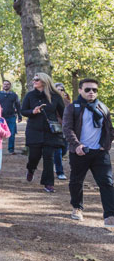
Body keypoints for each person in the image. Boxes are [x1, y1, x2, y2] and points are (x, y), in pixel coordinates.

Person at [62, 78, 114, 227]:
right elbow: (67, 128)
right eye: (87, 89)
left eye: (94, 90)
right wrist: (77, 145)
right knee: (76, 181)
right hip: (80, 152)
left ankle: (110, 215)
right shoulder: (73, 107)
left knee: (107, 183)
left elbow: (109, 129)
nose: (91, 92)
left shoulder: (102, 108)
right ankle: (77, 207)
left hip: (99, 153)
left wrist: (106, 144)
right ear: (80, 90)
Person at [22, 72, 66, 193]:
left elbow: (63, 113)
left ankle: (48, 183)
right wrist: (33, 112)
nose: (34, 81)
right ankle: (31, 169)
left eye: (37, 79)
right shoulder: (30, 96)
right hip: (34, 130)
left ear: (44, 81)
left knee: (49, 157)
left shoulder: (56, 96)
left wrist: (67, 126)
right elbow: (23, 111)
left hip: (50, 131)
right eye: (33, 79)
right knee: (34, 156)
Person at [0, 80, 22, 155]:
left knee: (11, 133)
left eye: (8, 84)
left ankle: (11, 149)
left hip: (11, 116)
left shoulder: (14, 95)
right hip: (0, 117)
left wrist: (20, 116)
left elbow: (18, 106)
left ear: (10, 86)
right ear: (2, 85)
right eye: (5, 84)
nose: (6, 85)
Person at [54, 82, 72, 180]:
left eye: (62, 89)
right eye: (58, 89)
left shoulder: (67, 101)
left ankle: (55, 162)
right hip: (55, 128)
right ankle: (60, 171)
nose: (60, 91)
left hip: (66, 127)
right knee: (58, 150)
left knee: (65, 149)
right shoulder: (50, 100)